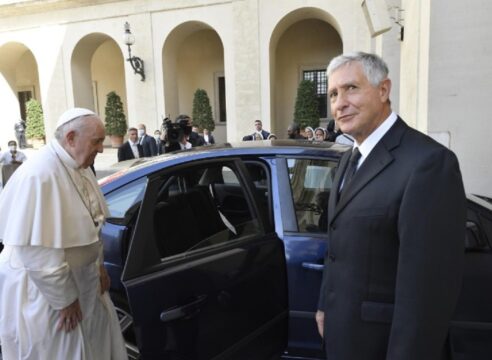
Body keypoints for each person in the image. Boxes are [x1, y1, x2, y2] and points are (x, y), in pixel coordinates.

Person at [316, 52, 466, 360]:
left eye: (351, 89)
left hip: (383, 345)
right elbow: (337, 245)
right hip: (342, 336)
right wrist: (323, 305)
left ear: (383, 90)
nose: (339, 103)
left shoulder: (429, 163)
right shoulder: (348, 158)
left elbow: (428, 293)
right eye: (333, 94)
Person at [0, 107, 127, 359]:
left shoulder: (78, 167)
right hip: (47, 295)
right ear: (70, 138)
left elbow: (94, 224)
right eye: (97, 141)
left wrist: (99, 266)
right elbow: (36, 252)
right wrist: (64, 300)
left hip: (84, 281)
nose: (102, 148)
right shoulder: (39, 174)